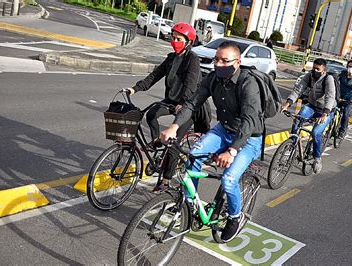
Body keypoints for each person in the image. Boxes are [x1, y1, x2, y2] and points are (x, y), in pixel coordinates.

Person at [160, 41, 263, 243]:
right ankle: (188, 205)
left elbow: (250, 120)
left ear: (238, 62)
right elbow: (193, 103)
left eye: (225, 61)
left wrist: (232, 151)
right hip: (223, 130)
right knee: (193, 156)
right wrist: (174, 126)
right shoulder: (213, 78)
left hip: (248, 138)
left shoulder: (247, 83)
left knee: (229, 179)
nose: (219, 64)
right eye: (217, 59)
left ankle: (235, 216)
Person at [127, 22, 210, 192]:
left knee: (173, 143)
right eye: (173, 38)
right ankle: (158, 141)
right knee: (151, 114)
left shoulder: (192, 60)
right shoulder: (172, 58)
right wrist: (136, 88)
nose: (174, 41)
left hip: (189, 106)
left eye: (178, 39)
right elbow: (155, 75)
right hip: (172, 101)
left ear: (189, 42)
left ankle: (165, 181)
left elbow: (190, 84)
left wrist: (183, 103)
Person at [282, 58, 336, 174]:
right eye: (314, 68)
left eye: (318, 69)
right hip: (312, 106)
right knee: (298, 119)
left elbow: (330, 97)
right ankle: (290, 147)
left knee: (316, 132)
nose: (315, 71)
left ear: (324, 69)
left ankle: (317, 158)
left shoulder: (328, 79)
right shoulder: (309, 76)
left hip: (326, 110)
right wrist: (288, 103)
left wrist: (325, 113)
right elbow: (298, 89)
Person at [337, 59, 352, 139]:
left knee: (345, 114)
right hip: (340, 96)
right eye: (349, 66)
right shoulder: (342, 74)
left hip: (350, 98)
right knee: (332, 110)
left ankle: (342, 131)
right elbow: (336, 83)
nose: (351, 68)